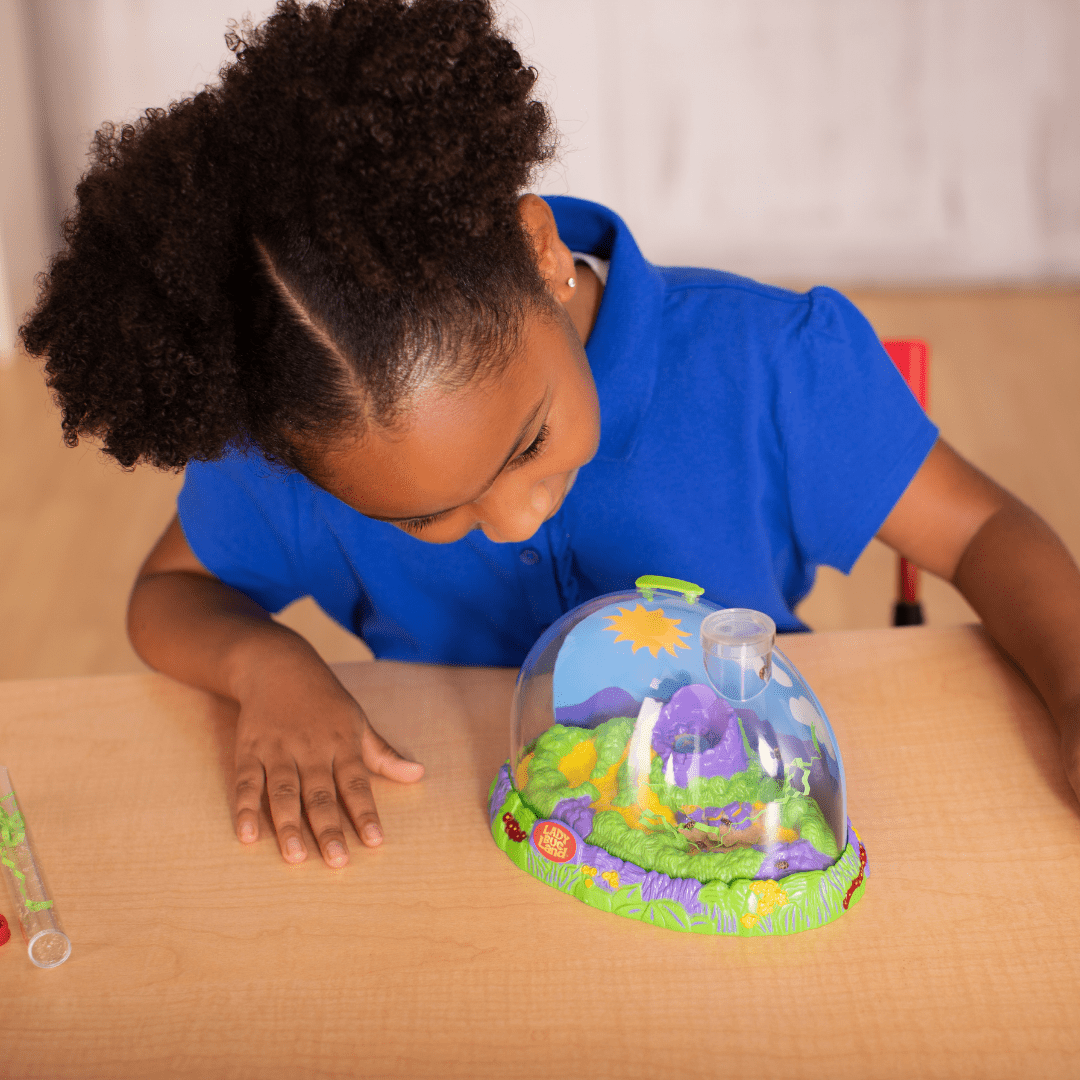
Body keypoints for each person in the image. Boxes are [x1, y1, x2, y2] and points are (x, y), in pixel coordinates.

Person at [20, 0, 1080, 871]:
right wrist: (266, 666)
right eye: (428, 516)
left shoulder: (770, 365)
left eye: (527, 443)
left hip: (755, 830)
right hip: (470, 859)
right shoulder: (301, 460)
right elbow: (169, 595)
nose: (515, 518)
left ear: (540, 253)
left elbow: (981, 529)